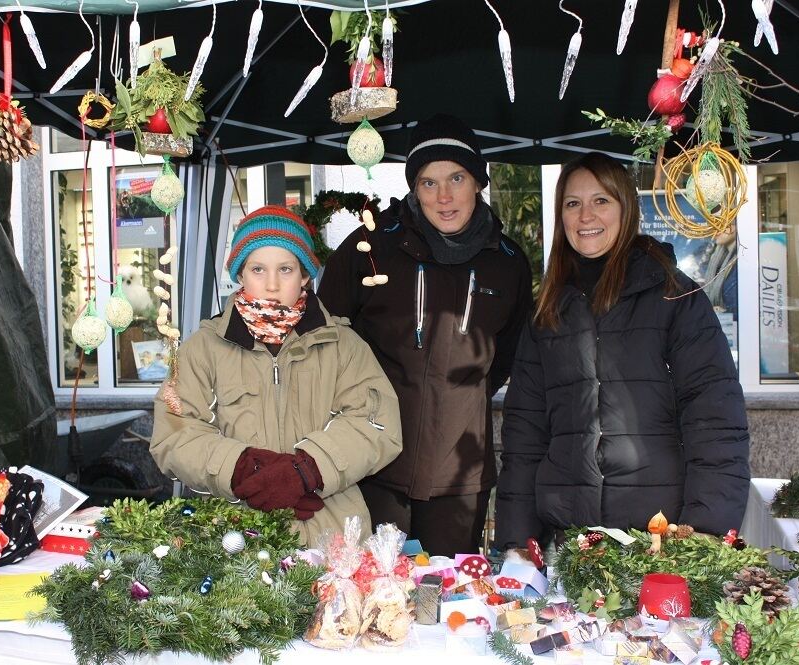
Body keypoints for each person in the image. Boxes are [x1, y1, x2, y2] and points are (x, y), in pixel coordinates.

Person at [495, 152, 750, 551]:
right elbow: (525, 437)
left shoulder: (675, 297)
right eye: (572, 203)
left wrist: (705, 529)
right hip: (571, 543)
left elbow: (715, 420)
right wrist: (516, 542)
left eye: (601, 201)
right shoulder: (546, 311)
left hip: (659, 541)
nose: (585, 216)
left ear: (626, 208)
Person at [319, 114, 533, 557]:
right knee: (372, 598)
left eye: (457, 177)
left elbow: (507, 357)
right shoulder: (370, 250)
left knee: (449, 599)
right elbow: (326, 342)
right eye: (429, 182)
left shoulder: (508, 262)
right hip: (373, 464)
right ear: (414, 188)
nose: (445, 196)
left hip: (460, 474)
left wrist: (461, 401)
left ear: (478, 181)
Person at [150, 206, 402, 544]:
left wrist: (307, 471)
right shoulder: (204, 348)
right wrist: (241, 469)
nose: (271, 284)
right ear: (240, 275)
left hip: (332, 536)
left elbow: (377, 424)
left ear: (305, 276)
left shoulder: (343, 344)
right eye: (258, 269)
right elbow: (175, 434)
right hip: (233, 538)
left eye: (285, 269)